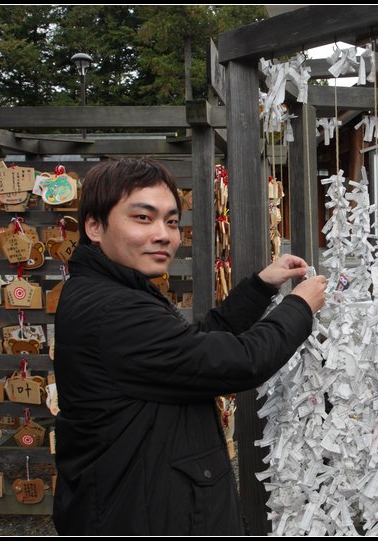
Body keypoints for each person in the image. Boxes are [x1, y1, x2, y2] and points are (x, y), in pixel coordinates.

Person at [53, 157, 327, 535]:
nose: (164, 234)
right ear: (95, 226)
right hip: (143, 513)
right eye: (143, 218)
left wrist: (261, 286)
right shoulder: (114, 308)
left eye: (170, 221)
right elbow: (240, 362)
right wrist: (300, 306)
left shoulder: (109, 289)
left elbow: (191, 349)